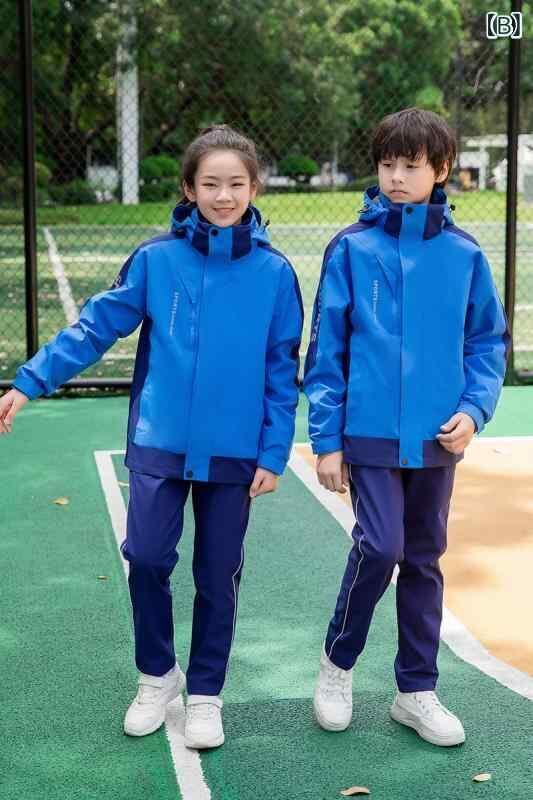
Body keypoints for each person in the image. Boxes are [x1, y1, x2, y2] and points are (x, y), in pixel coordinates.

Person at [0, 124, 303, 749]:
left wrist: (273, 453)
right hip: (160, 445)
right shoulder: (156, 260)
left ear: (254, 188)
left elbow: (281, 370)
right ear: (189, 189)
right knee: (146, 558)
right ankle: (157, 677)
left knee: (218, 575)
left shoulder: (275, 273)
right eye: (210, 183)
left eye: (236, 184)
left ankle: (207, 694)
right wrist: (27, 384)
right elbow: (92, 330)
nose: (224, 195)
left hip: (235, 452)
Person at [303, 107, 509, 747]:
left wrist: (474, 411)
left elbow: (487, 343)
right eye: (387, 164)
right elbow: (326, 353)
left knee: (423, 558)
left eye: (411, 166)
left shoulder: (464, 255)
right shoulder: (350, 248)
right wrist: (327, 441)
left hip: (436, 440)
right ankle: (337, 664)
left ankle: (416, 691)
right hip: (367, 438)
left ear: (441, 170)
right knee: (382, 547)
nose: (395, 177)